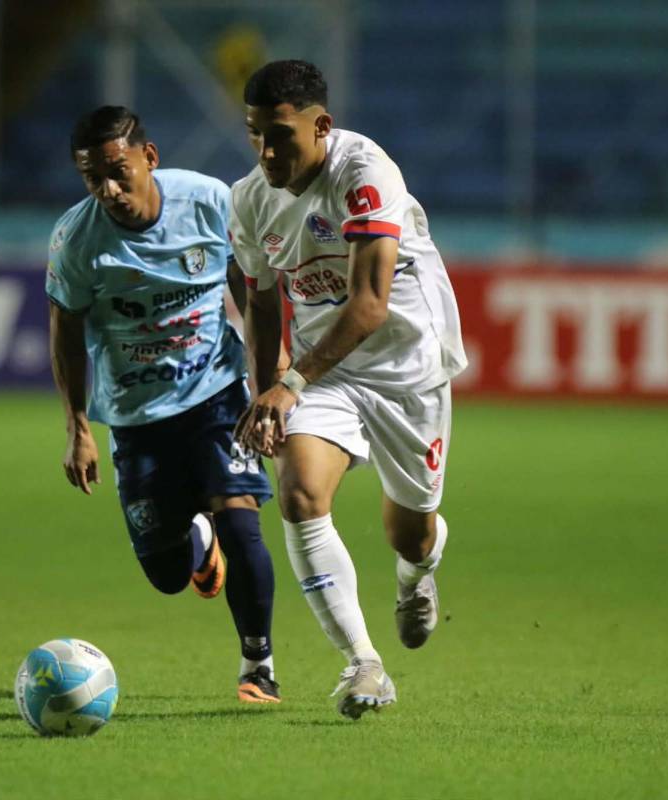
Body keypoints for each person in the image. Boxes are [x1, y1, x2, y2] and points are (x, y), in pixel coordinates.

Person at [228, 60, 468, 719]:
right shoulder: (249, 199)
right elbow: (261, 302)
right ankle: (364, 663)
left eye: (280, 135)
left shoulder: (365, 174)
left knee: (409, 533)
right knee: (300, 493)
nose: (266, 151)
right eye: (255, 134)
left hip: (406, 369)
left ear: (321, 127)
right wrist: (267, 395)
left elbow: (368, 304)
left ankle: (418, 574)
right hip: (324, 373)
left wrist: (290, 382)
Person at [47, 105, 281, 703]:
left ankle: (258, 665)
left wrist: (267, 379)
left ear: (149, 158)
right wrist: (77, 426)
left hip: (217, 394)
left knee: (242, 523)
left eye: (118, 172)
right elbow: (66, 333)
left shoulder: (208, 202)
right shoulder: (77, 240)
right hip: (137, 417)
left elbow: (249, 286)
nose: (109, 190)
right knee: (168, 575)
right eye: (93, 178)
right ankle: (197, 542)